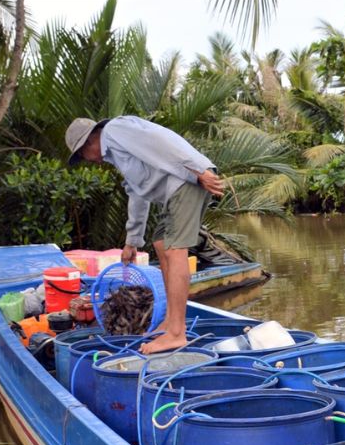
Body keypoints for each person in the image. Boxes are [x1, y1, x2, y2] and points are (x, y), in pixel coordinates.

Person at [65, 116, 225, 353]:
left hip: (188, 181)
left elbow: (161, 145)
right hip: (175, 192)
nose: (89, 162)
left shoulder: (116, 130)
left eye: (82, 157)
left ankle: (176, 333)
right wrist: (132, 242)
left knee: (174, 249)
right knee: (160, 243)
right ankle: (171, 320)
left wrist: (197, 171)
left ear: (88, 143)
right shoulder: (116, 153)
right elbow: (137, 194)